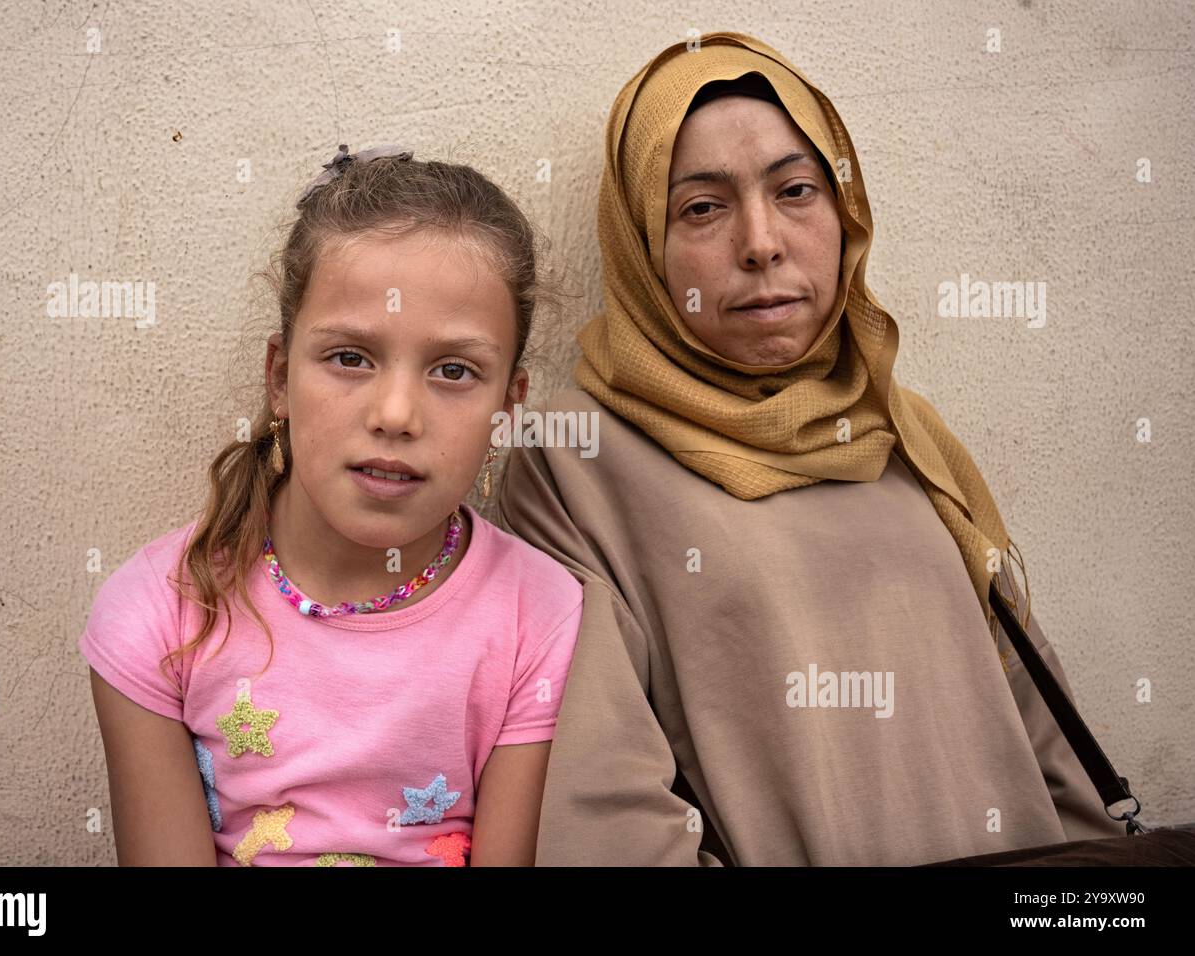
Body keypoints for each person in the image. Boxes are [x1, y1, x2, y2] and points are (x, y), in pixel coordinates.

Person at [495, 33, 1126, 866]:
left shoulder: (904, 432)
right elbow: (608, 811)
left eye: (796, 190)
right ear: (644, 245)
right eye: (702, 208)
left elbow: (1046, 739)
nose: (760, 242)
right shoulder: (575, 458)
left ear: (845, 214)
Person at [80, 145, 582, 866]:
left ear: (508, 405)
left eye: (453, 370)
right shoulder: (158, 616)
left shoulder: (540, 618)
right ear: (280, 378)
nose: (396, 413)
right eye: (350, 358)